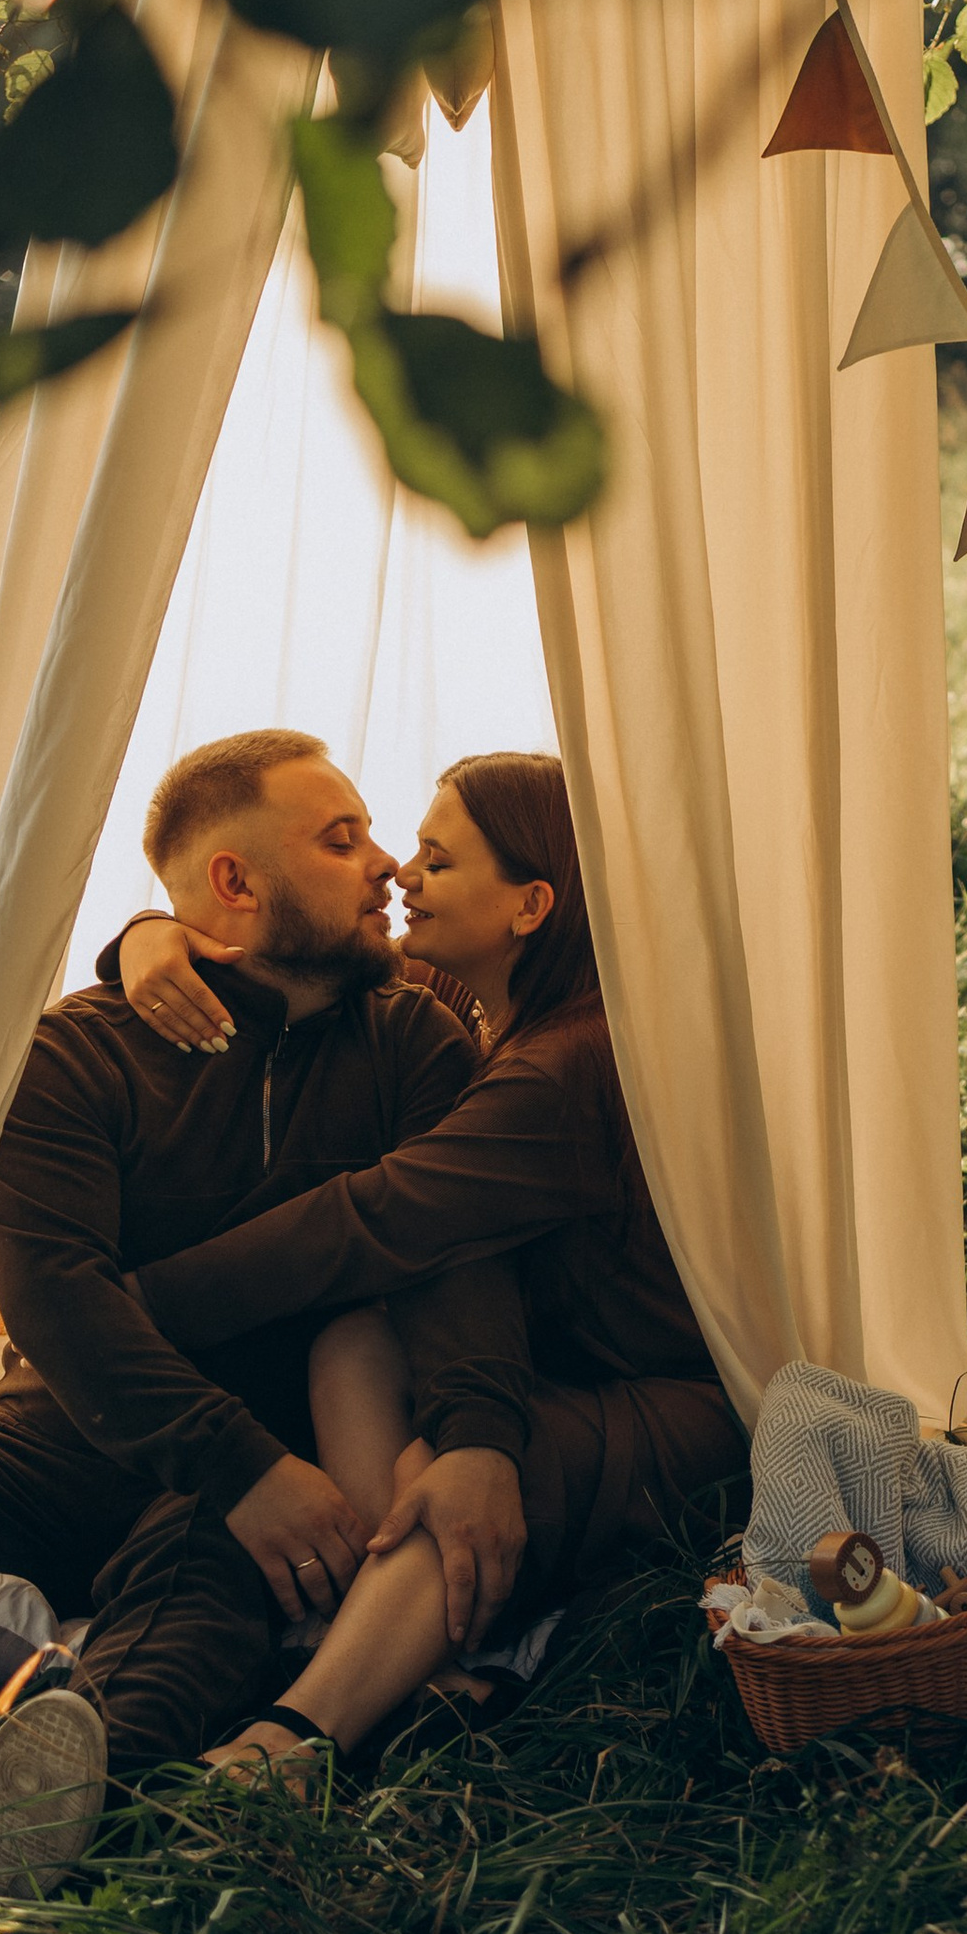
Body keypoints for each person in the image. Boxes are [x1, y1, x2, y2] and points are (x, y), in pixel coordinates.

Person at [0, 730, 475, 1889]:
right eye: (342, 838)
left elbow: (434, 1254)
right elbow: (58, 1303)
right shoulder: (74, 1057)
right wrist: (238, 1463)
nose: (383, 864)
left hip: (283, 1458)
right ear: (233, 882)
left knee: (204, 1580)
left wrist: (256, 1473)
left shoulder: (412, 1042)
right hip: (71, 1438)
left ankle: (47, 1826)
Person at [106, 751, 742, 1783]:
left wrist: (131, 1307)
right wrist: (148, 935)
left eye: (438, 863)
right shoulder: (474, 990)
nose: (401, 873)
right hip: (554, 1364)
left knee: (466, 1468)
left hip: (673, 1402)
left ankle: (294, 1739)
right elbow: (316, 957)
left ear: (530, 906)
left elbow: (372, 1217)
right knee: (351, 1339)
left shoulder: (568, 1064)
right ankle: (415, 1660)